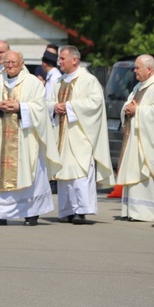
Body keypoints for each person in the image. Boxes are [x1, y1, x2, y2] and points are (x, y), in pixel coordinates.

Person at [0, 51, 59, 226]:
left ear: (21, 63)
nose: (9, 65)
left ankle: (31, 213)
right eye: (6, 62)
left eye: (13, 62)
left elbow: (40, 108)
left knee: (31, 170)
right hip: (0, 137)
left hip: (26, 138)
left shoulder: (33, 82)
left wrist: (20, 107)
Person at [49, 45, 115, 224]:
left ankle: (81, 211)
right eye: (60, 59)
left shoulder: (88, 80)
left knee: (79, 174)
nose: (59, 62)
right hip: (62, 135)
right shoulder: (59, 81)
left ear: (75, 60)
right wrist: (54, 106)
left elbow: (95, 104)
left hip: (80, 136)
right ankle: (66, 210)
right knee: (65, 175)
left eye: (62, 58)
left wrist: (69, 106)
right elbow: (48, 102)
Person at [116, 55, 154, 222]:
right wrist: (127, 109)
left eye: (137, 68)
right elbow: (129, 103)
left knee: (146, 174)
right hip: (136, 139)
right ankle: (134, 211)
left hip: (150, 141)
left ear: (149, 69)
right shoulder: (139, 86)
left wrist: (138, 110)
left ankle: (151, 212)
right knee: (134, 172)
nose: (134, 70)